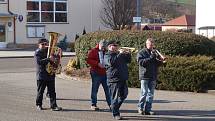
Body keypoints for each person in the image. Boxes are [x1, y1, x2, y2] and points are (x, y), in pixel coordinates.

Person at [104, 40, 131, 120]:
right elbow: (112, 62)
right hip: (113, 80)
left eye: (116, 46)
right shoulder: (107, 55)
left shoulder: (119, 54)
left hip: (122, 78)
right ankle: (116, 113)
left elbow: (128, 61)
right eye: (114, 46)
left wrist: (128, 54)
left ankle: (113, 107)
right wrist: (120, 54)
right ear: (109, 47)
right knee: (115, 98)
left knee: (124, 95)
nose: (116, 47)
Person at [137, 38, 164, 115]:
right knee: (144, 93)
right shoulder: (142, 52)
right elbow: (141, 62)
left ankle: (148, 109)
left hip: (153, 75)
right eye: (149, 44)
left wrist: (161, 61)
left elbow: (156, 64)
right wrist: (151, 57)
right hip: (144, 75)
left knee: (150, 94)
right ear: (146, 44)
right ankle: (140, 108)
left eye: (152, 44)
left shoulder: (155, 52)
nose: (151, 46)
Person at [34, 38, 62, 111]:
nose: (45, 45)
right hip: (41, 75)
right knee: (40, 92)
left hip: (50, 74)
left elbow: (55, 59)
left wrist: (58, 55)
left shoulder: (50, 52)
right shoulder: (37, 52)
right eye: (42, 44)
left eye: (46, 44)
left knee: (52, 92)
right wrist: (49, 59)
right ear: (39, 45)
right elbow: (39, 62)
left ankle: (54, 106)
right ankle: (39, 105)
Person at [86, 39, 111, 111]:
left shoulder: (106, 51)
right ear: (99, 44)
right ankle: (93, 104)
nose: (103, 48)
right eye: (102, 47)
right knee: (95, 89)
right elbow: (88, 60)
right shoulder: (93, 51)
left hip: (105, 73)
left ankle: (111, 105)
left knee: (108, 90)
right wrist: (97, 63)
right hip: (96, 73)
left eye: (104, 47)